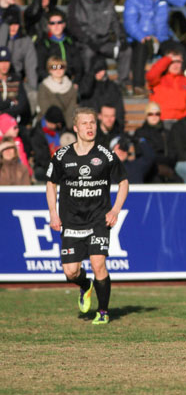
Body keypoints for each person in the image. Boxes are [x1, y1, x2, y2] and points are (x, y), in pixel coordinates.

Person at [46, 107, 129, 325]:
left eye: (92, 122)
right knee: (71, 271)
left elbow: (123, 183)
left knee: (98, 263)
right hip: (71, 220)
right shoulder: (62, 155)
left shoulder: (105, 155)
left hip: (98, 219)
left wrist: (115, 210)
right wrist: (53, 214)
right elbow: (50, 184)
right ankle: (85, 286)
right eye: (84, 123)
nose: (89, 127)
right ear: (75, 128)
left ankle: (103, 312)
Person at [123, 0, 186, 96]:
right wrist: (142, 36)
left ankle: (179, 83)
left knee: (179, 49)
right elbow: (129, 22)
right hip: (141, 38)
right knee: (140, 48)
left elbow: (183, 0)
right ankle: (138, 86)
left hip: (162, 38)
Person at [67, 0, 132, 92]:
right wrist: (87, 40)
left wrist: (121, 38)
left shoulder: (107, 2)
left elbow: (115, 22)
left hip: (104, 42)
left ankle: (123, 83)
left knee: (126, 51)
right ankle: (87, 85)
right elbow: (73, 25)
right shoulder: (77, 2)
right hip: (85, 43)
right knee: (88, 54)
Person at [133, 101, 180, 183]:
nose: (154, 116)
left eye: (157, 114)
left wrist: (166, 165)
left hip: (167, 167)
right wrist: (157, 166)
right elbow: (140, 154)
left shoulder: (166, 133)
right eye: (150, 114)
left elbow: (173, 154)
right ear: (146, 116)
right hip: (149, 170)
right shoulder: (140, 133)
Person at [145, 47, 186, 121]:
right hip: (161, 121)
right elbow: (150, 76)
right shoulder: (158, 79)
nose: (175, 65)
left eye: (178, 62)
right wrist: (167, 59)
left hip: (181, 123)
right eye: (172, 62)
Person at [34, 10, 84, 84]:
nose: (56, 26)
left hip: (69, 82)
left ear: (64, 24)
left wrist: (75, 82)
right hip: (50, 83)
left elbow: (79, 68)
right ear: (48, 26)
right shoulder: (44, 44)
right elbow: (40, 69)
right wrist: (53, 81)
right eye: (52, 23)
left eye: (59, 22)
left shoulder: (70, 42)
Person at [1, 10, 37, 100]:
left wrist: (33, 88)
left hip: (16, 79)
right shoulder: (2, 39)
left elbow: (31, 67)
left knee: (32, 94)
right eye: (10, 25)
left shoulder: (25, 41)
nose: (13, 28)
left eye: (16, 24)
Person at [79, 56, 125, 127]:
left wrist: (119, 126)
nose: (99, 73)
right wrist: (91, 76)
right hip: (89, 126)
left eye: (101, 70)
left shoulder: (112, 87)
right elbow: (84, 92)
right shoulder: (86, 85)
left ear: (105, 70)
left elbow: (119, 110)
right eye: (96, 70)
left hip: (108, 126)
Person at [38, 56, 79, 129]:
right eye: (53, 67)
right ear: (49, 70)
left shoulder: (71, 87)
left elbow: (71, 109)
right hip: (48, 124)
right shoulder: (43, 87)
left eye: (61, 67)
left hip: (65, 125)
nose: (58, 69)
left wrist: (67, 128)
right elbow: (45, 109)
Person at [30, 106, 65, 181]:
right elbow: (42, 158)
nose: (58, 125)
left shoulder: (60, 130)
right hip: (46, 166)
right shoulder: (37, 133)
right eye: (56, 124)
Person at [0, 46, 30, 124]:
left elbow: (22, 105)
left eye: (7, 61)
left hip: (14, 122)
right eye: (1, 62)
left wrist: (3, 112)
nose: (4, 65)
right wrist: (11, 102)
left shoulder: (16, 80)